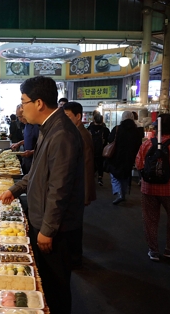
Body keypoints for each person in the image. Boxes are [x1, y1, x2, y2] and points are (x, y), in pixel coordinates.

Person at [0, 76, 84, 314]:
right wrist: (14, 189)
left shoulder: (62, 133)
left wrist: (47, 229)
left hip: (56, 229)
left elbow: (60, 188)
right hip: (44, 221)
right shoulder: (50, 127)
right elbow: (36, 173)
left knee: (56, 288)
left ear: (40, 102)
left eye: (24, 102)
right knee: (48, 285)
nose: (22, 109)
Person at [136, 114, 170, 261]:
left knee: (150, 219)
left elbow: (139, 165)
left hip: (148, 189)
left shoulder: (147, 144)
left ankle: (153, 250)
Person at [63, 101, 96, 268]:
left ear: (78, 116)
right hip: (77, 188)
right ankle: (74, 257)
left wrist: (86, 193)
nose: (65, 120)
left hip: (78, 189)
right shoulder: (74, 132)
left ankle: (75, 259)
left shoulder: (81, 135)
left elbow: (87, 165)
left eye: (68, 116)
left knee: (74, 226)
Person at [105, 111, 142, 205]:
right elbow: (139, 144)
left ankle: (119, 193)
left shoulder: (118, 128)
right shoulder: (136, 131)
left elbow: (110, 139)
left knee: (114, 174)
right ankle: (123, 193)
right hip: (129, 157)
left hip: (116, 156)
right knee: (125, 175)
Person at [11, 104, 40, 175]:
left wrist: (31, 152)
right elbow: (29, 139)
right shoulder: (26, 125)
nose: (20, 120)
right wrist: (19, 143)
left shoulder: (37, 126)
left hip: (35, 162)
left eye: (21, 117)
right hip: (26, 161)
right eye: (18, 117)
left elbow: (43, 146)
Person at [87, 111, 110, 186]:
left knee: (92, 163)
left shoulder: (89, 128)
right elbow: (109, 139)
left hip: (91, 150)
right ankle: (100, 178)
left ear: (94, 120)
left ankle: (91, 177)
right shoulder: (105, 130)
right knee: (100, 164)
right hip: (102, 150)